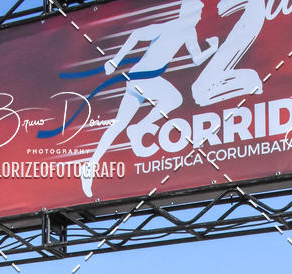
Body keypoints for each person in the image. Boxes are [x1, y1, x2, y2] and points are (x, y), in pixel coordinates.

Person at [80, 0, 218, 197]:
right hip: (142, 78)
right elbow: (137, 34)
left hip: (143, 80)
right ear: (188, 13)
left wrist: (212, 49)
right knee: (174, 99)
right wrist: (115, 60)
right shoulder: (169, 26)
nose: (199, 17)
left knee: (118, 125)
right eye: (198, 13)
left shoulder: (189, 31)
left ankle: (91, 164)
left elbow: (195, 59)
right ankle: (137, 130)